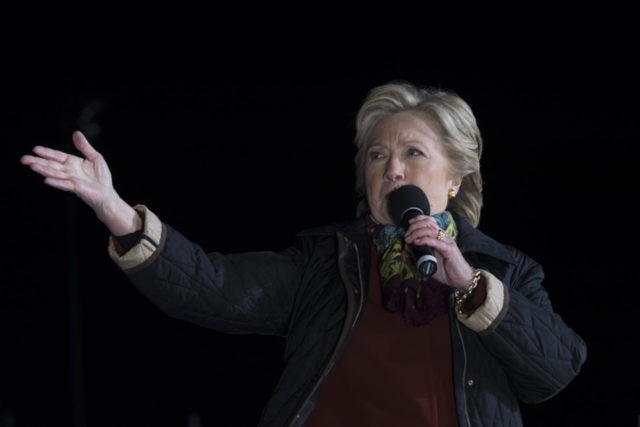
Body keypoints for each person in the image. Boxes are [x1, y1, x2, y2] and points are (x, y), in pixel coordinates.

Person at [20, 80, 587, 427]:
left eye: (413, 152)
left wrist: (469, 284)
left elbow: (557, 370)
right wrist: (116, 209)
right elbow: (213, 286)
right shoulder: (328, 260)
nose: (391, 168)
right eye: (375, 155)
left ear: (457, 179)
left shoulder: (505, 271)